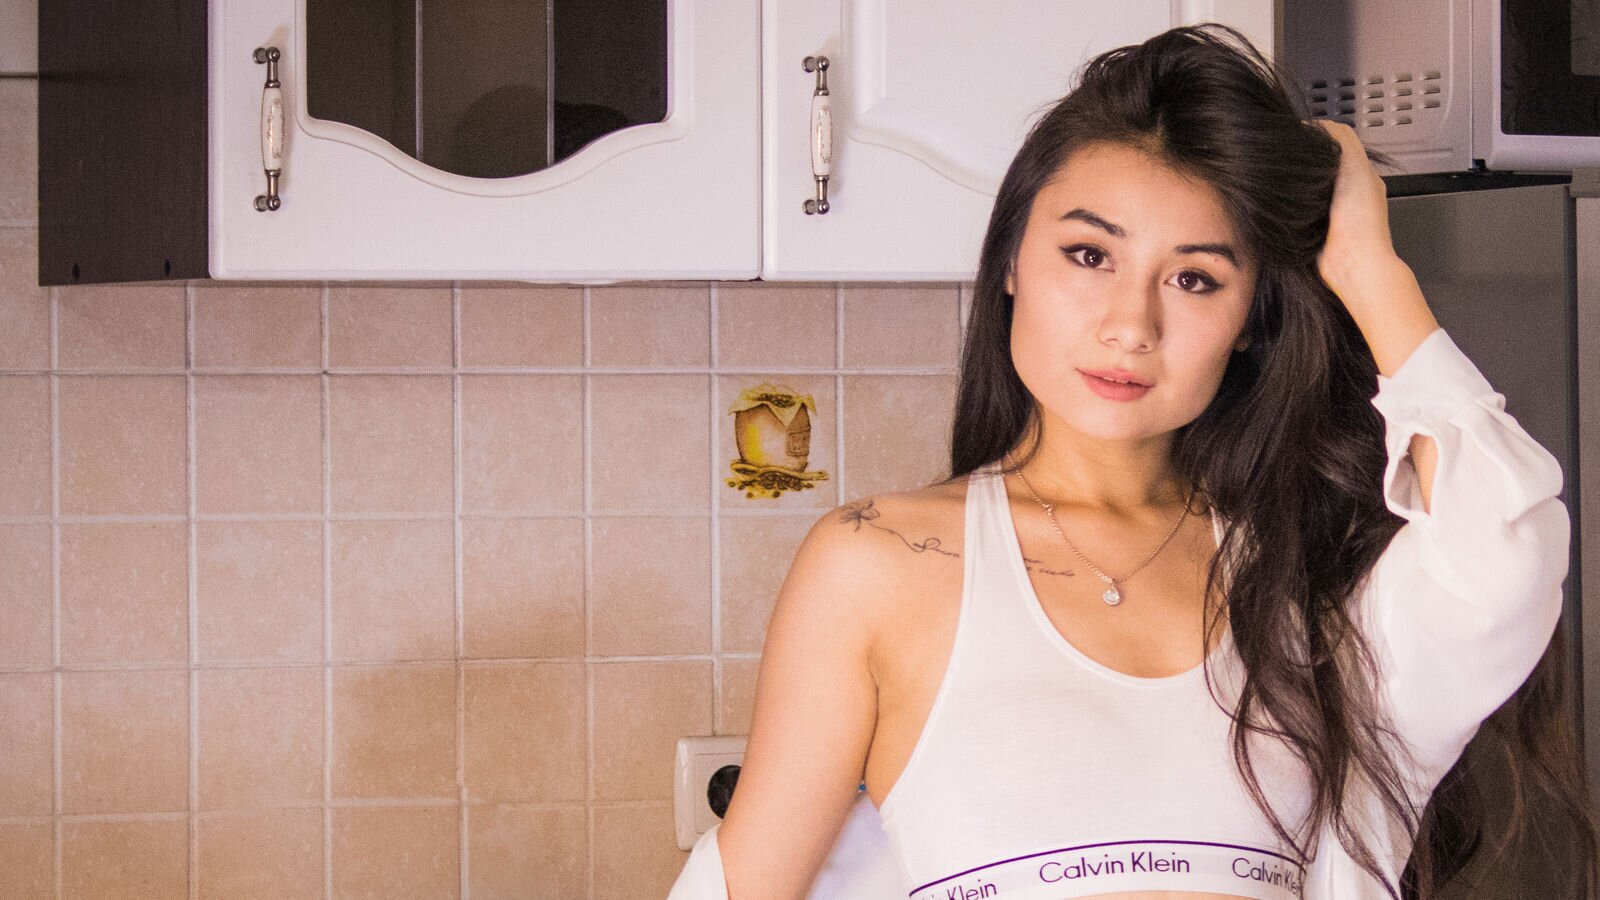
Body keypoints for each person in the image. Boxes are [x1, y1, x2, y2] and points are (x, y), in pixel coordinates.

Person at [672, 23, 1598, 900]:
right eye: (1089, 254)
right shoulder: (877, 563)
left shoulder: (1308, 572)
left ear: (1250, 320)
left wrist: (1370, 272)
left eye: (1195, 278)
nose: (1131, 325)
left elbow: (1505, 552)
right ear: (1012, 262)